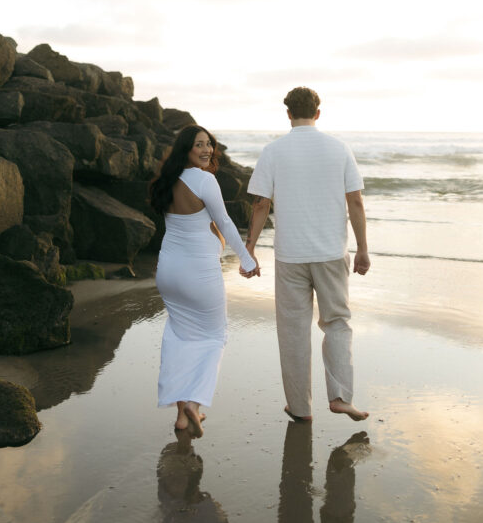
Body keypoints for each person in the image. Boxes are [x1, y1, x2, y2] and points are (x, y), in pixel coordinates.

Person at [243, 87, 370, 423]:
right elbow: (355, 201)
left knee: (293, 331)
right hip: (330, 252)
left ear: (288, 114)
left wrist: (250, 247)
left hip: (290, 255)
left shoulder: (273, 151)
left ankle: (300, 408)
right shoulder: (339, 148)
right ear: (318, 112)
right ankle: (341, 396)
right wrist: (363, 249)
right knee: (338, 324)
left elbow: (260, 203)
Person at [150, 125, 258, 437]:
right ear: (186, 148)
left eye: (209, 144)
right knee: (214, 337)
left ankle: (182, 416)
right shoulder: (204, 179)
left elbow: (198, 225)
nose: (207, 150)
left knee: (179, 337)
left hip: (168, 272)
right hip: (198, 274)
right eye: (199, 145)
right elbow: (224, 221)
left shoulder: (167, 180)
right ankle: (194, 406)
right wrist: (247, 259)